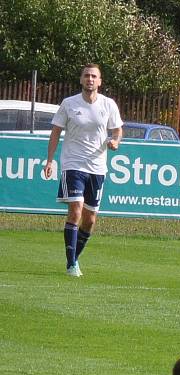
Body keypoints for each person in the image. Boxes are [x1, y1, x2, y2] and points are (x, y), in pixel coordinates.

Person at [43, 63, 123, 277]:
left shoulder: (108, 104)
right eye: (86, 75)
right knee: (76, 211)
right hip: (73, 164)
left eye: (93, 76)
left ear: (99, 81)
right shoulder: (69, 104)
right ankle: (71, 264)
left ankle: (74, 258)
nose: (90, 79)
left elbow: (117, 130)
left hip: (97, 168)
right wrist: (49, 161)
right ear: (81, 80)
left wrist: (115, 141)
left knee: (90, 219)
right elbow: (55, 132)